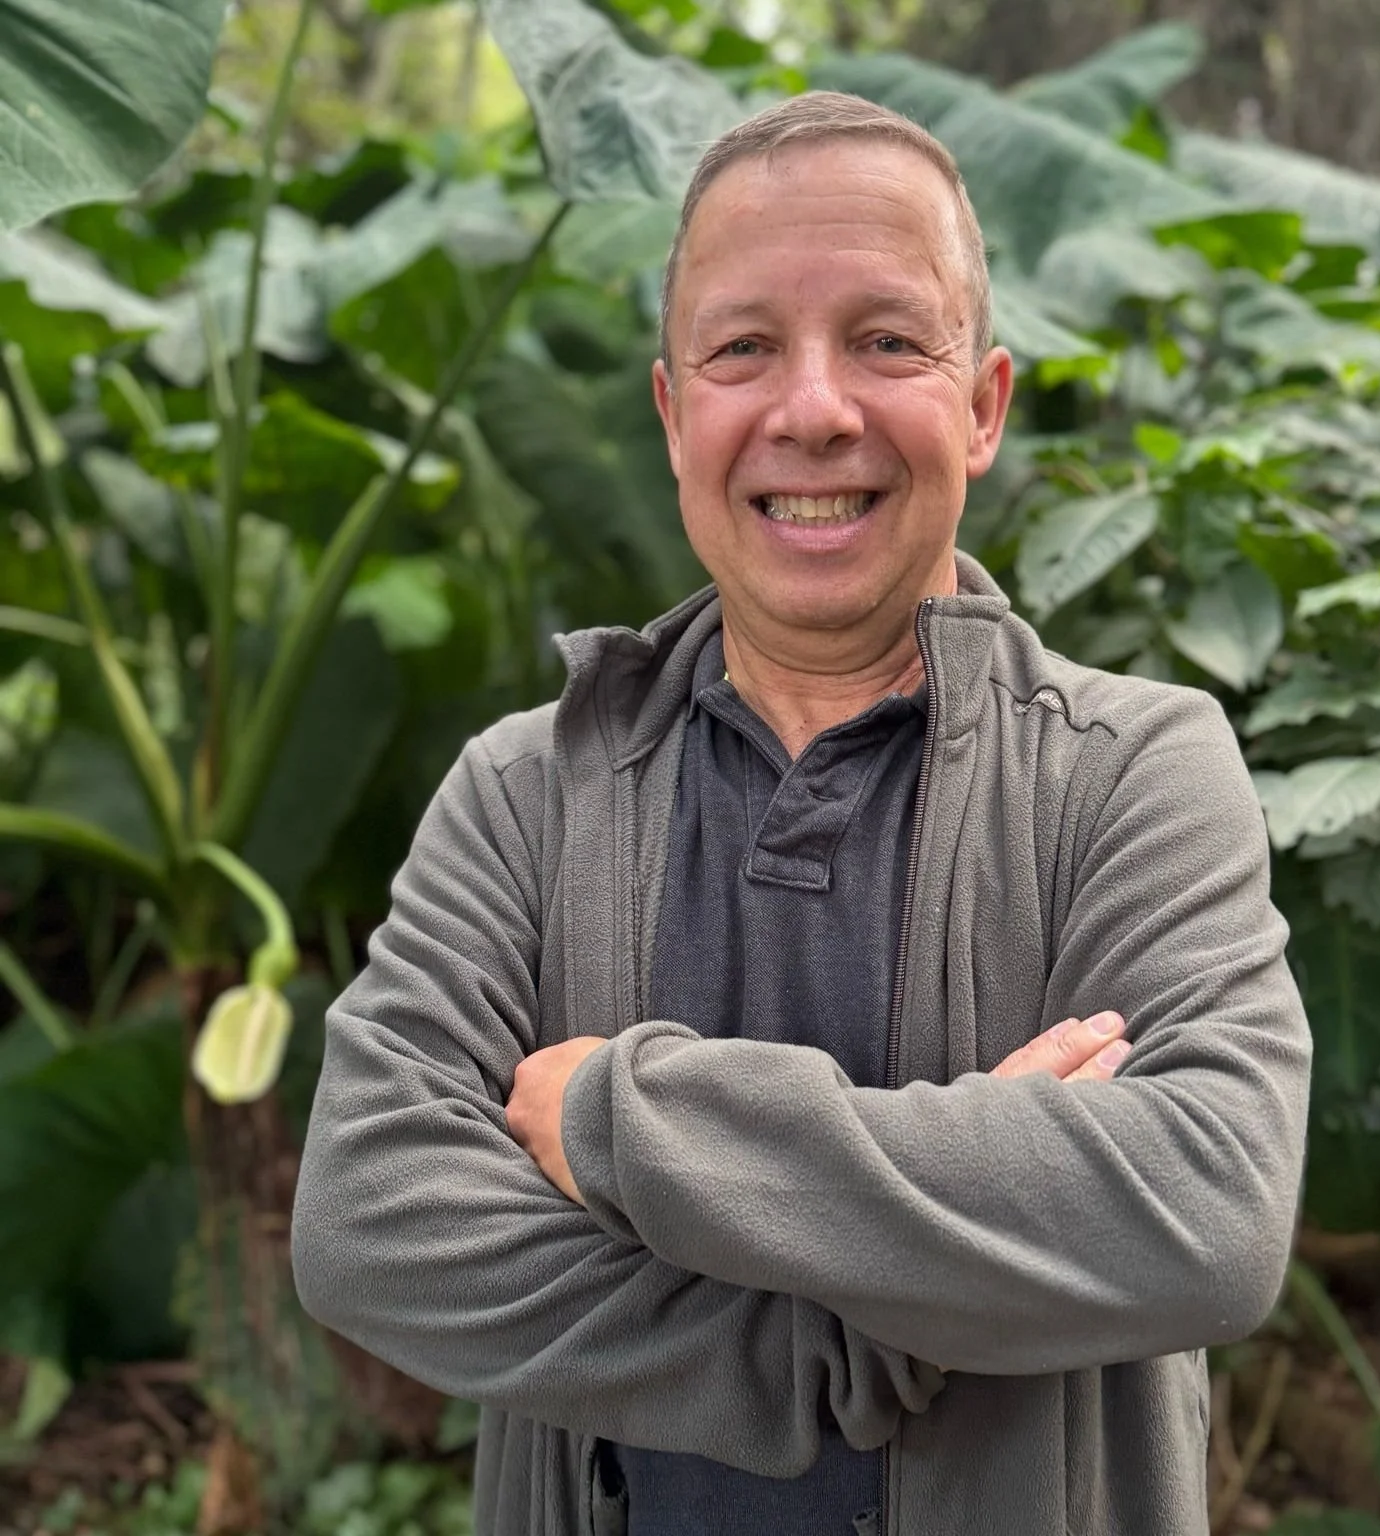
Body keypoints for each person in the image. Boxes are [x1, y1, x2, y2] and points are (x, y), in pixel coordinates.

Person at [290, 91, 1311, 1536]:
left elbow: (1207, 1211)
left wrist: (616, 1117)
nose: (814, 408)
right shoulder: (525, 796)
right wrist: (848, 1343)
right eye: (743, 348)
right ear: (672, 411)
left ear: (983, 407)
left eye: (890, 342)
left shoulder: (1133, 770)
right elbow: (366, 1218)